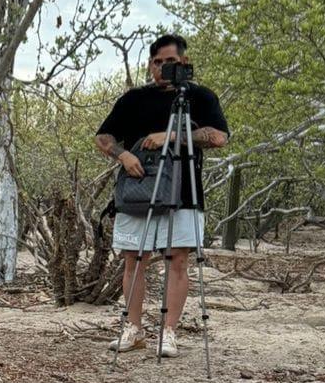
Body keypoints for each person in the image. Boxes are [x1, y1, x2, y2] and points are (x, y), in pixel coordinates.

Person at [95, 34, 229, 357]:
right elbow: (103, 136)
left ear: (183, 62)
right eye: (157, 62)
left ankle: (169, 332)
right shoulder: (134, 99)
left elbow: (220, 137)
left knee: (177, 260)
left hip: (182, 189)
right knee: (134, 259)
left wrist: (172, 136)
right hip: (138, 187)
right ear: (150, 65)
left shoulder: (200, 97)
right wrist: (123, 156)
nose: (163, 68)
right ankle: (133, 328)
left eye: (170, 61)